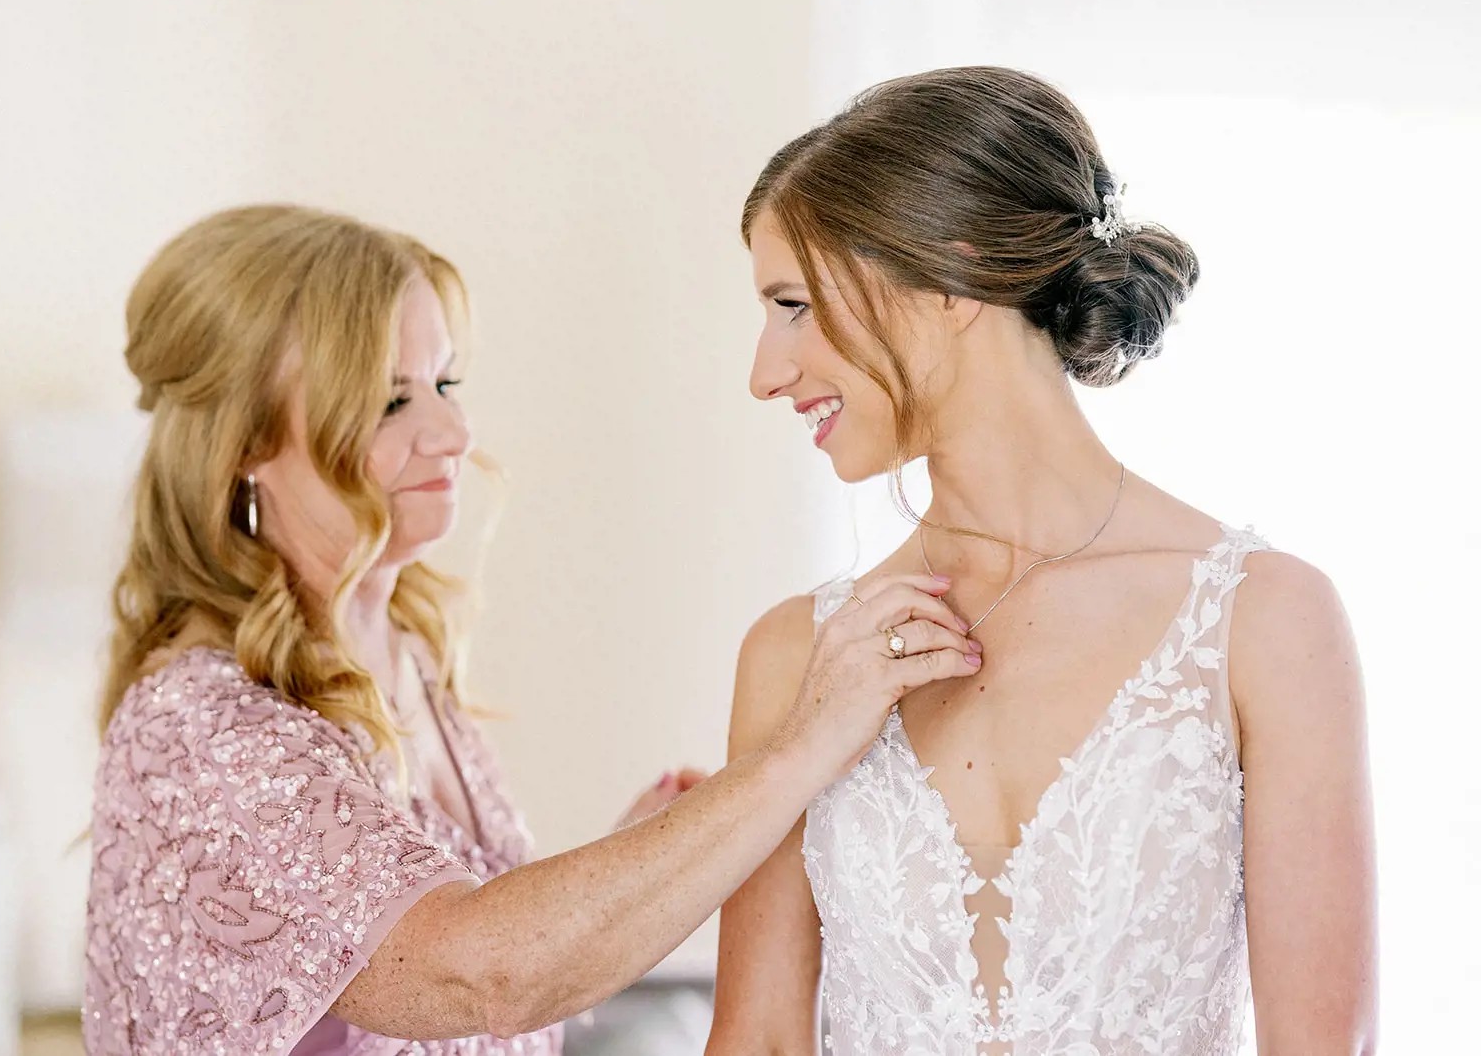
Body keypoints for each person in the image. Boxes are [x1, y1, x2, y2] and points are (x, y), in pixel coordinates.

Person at [81, 204, 981, 1054]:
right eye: (389, 401)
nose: (452, 430)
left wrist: (633, 857)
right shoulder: (203, 728)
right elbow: (479, 974)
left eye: (443, 382)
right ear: (243, 444)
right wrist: (802, 745)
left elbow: (450, 993)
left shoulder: (402, 656)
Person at [708, 67, 1378, 1054]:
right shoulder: (794, 653)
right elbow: (759, 1038)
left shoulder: (1265, 619)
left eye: (793, 303)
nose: (766, 371)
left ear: (947, 279)